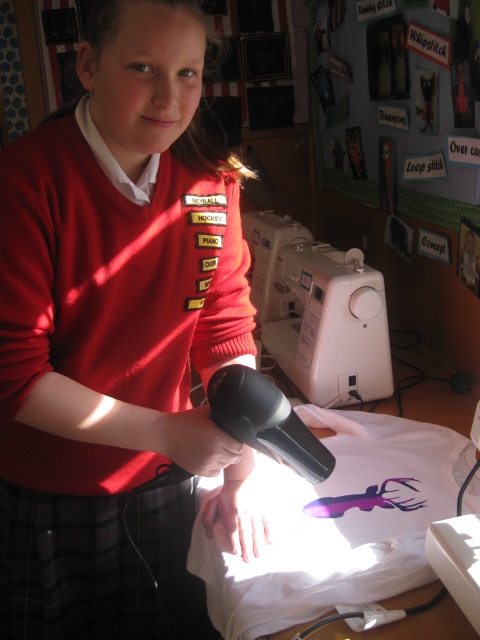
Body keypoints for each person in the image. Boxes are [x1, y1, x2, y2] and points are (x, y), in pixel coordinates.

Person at [0, 0, 270, 638]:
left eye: (187, 73)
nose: (169, 98)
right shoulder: (24, 181)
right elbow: (14, 376)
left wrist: (242, 471)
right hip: (49, 500)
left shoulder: (212, 182)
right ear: (87, 66)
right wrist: (168, 433)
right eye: (143, 67)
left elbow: (223, 324)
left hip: (167, 487)